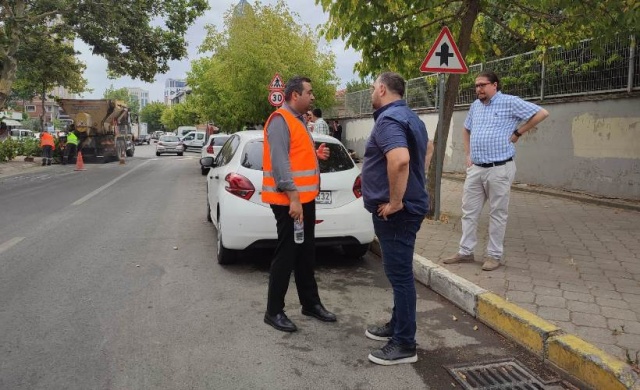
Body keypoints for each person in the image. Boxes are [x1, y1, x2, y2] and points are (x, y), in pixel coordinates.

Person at [443, 70, 549, 271]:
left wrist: (518, 132)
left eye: (482, 85)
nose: (479, 89)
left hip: (499, 168)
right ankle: (465, 251)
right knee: (469, 212)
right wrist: (468, 155)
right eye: (476, 86)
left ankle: (494, 255)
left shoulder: (509, 102)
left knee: (497, 213)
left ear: (495, 85)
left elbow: (542, 113)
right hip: (476, 168)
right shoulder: (475, 106)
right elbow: (466, 129)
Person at [361, 72, 429, 365]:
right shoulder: (412, 117)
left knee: (400, 277)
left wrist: (396, 201)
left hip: (398, 214)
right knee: (398, 273)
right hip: (408, 207)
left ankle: (404, 343)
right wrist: (416, 181)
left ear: (382, 88)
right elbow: (427, 150)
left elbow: (400, 159)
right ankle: (397, 325)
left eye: (373, 88)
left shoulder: (388, 120)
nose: (371, 94)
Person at [262, 75, 336, 333]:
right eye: (309, 92)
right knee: (287, 254)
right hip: (289, 202)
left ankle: (310, 304)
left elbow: (294, 157)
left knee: (306, 254)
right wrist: (293, 198)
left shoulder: (298, 121)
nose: (312, 97)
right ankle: (273, 311)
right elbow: (280, 162)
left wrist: (315, 156)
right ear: (295, 95)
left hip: (304, 200)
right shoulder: (280, 120)